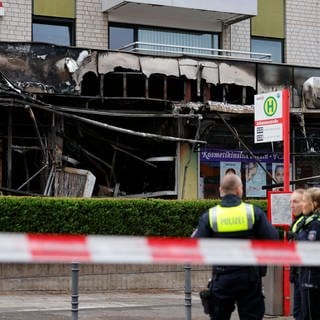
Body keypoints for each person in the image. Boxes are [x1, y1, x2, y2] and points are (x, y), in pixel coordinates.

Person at [193, 174, 279, 320]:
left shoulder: (211, 216)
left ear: (221, 190)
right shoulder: (253, 212)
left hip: (222, 276)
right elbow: (273, 238)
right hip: (249, 277)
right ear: (240, 190)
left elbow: (196, 246)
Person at [296, 187, 320, 319]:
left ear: (314, 204)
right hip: (308, 275)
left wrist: (299, 234)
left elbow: (309, 247)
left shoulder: (315, 224)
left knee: (310, 315)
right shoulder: (310, 221)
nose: (302, 204)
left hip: (312, 276)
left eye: (304, 201)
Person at [288, 189, 305, 320]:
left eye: (295, 202)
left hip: (308, 276)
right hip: (298, 273)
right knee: (297, 312)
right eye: (291, 202)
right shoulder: (298, 221)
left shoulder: (312, 223)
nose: (291, 205)